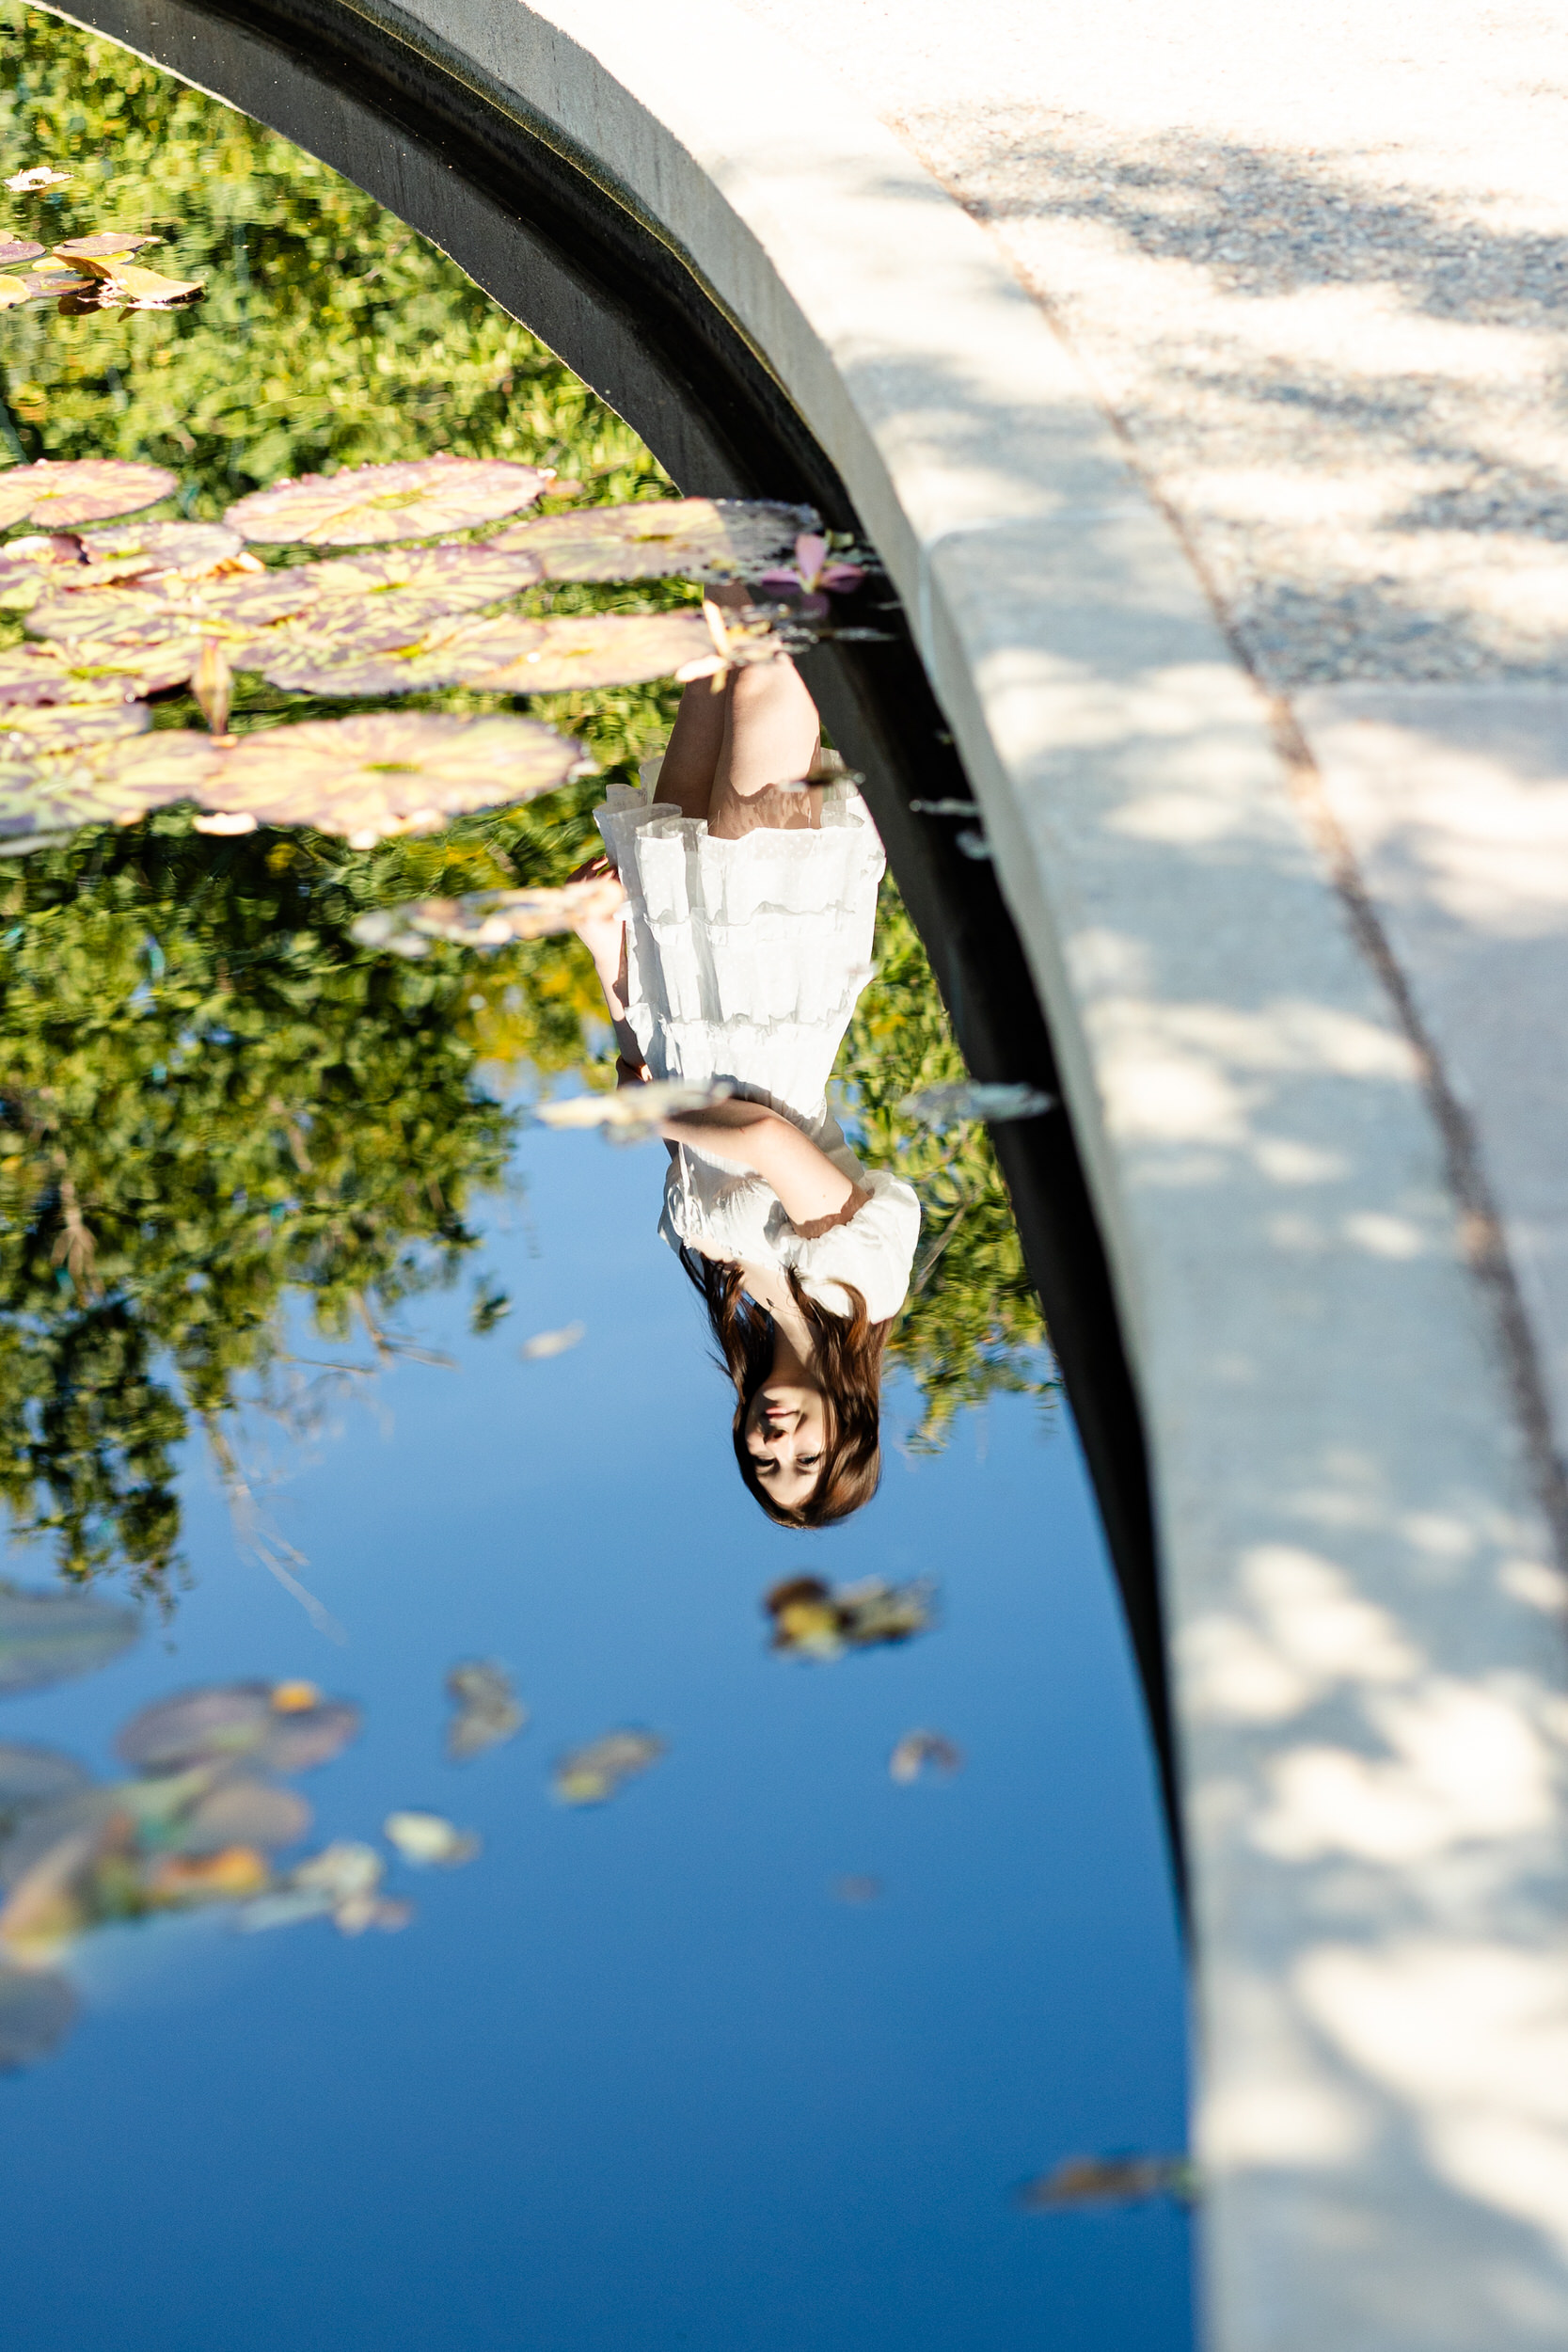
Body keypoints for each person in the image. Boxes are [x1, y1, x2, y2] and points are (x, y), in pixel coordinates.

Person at [571, 637, 919, 1527]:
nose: (777, 1443)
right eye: (805, 1458)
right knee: (766, 673)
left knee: (704, 668)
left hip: (682, 982)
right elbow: (762, 1138)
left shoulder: (734, 1279)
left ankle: (729, 525)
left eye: (764, 1462)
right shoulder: (856, 1292)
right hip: (769, 987)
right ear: (852, 1423)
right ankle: (791, 536)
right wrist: (653, 1117)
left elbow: (651, 1072)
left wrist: (603, 949)